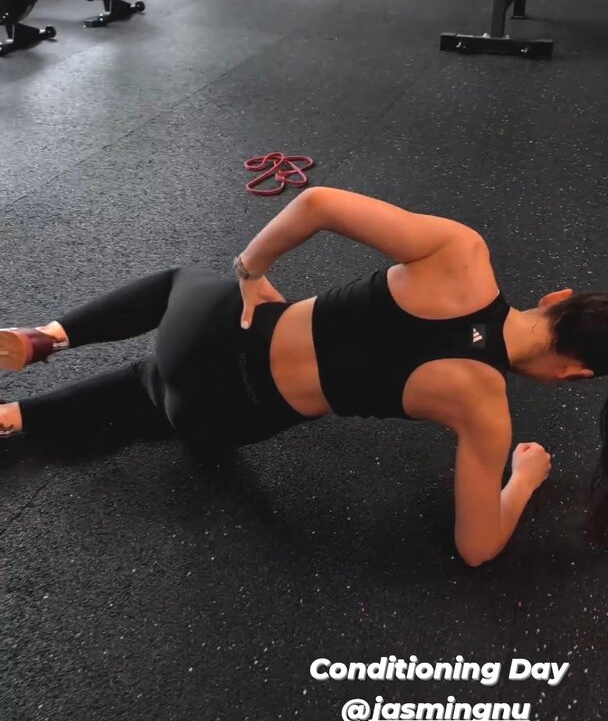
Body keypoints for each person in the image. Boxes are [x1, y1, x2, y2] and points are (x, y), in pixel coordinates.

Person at [1, 187, 607, 566]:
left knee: (177, 284)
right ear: (574, 373)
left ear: (557, 298)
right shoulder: (485, 408)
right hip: (224, 417)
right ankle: (14, 416)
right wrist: (523, 479)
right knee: (150, 382)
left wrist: (251, 269)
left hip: (205, 327)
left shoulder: (463, 254)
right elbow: (476, 549)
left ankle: (50, 335)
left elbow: (316, 204)